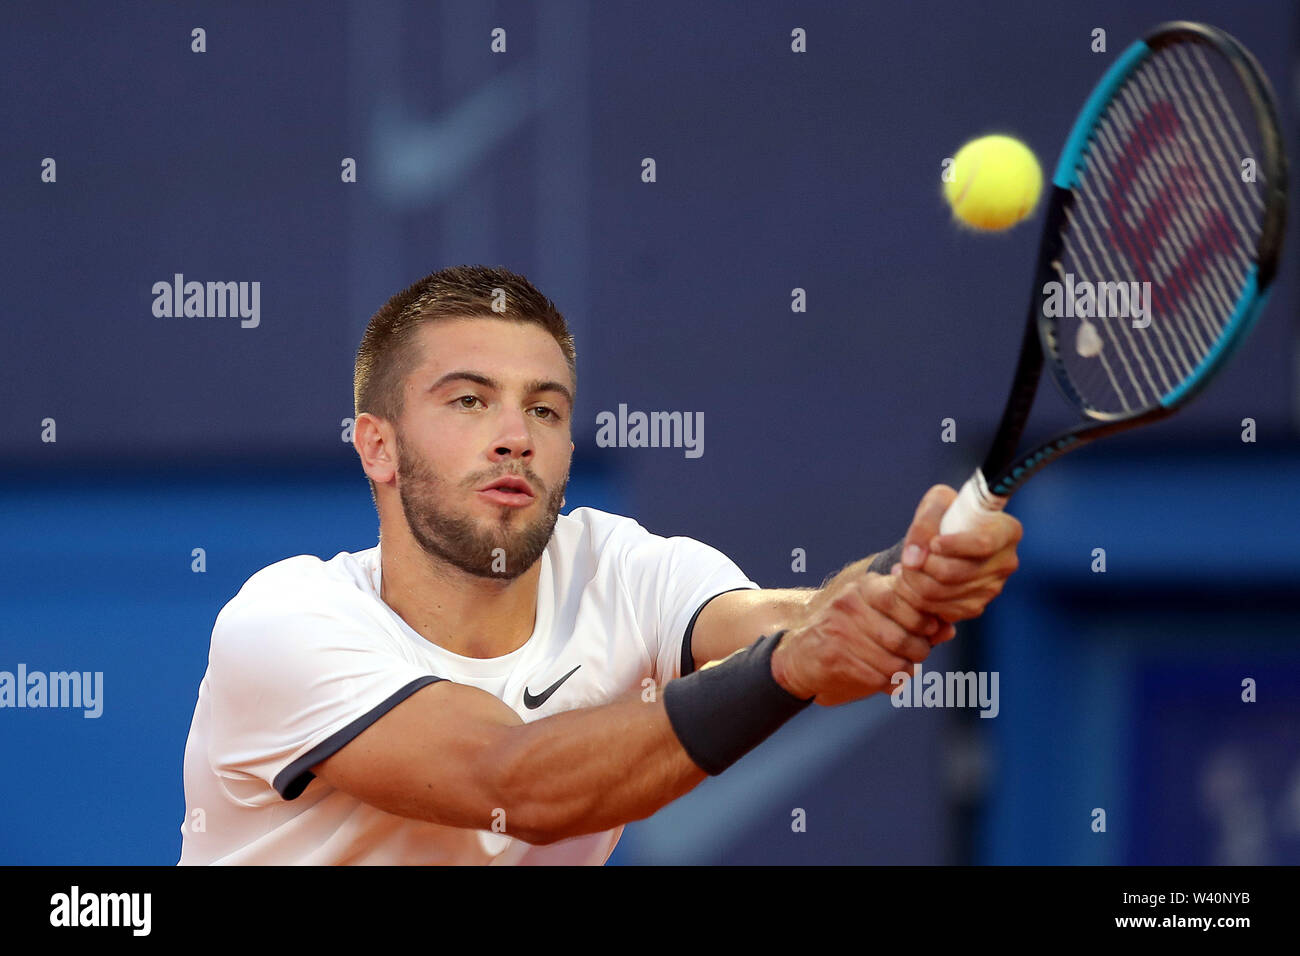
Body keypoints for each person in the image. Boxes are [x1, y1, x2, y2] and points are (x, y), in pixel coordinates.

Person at [178, 265, 1022, 865]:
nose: (516, 434)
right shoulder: (284, 622)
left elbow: (784, 622)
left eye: (544, 408)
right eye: (469, 400)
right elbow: (515, 783)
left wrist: (908, 580)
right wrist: (798, 664)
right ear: (378, 446)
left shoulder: (618, 566)